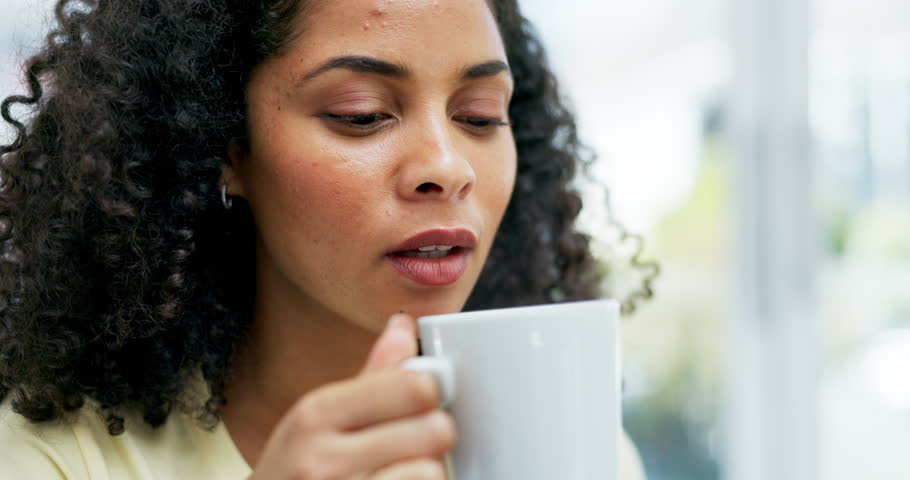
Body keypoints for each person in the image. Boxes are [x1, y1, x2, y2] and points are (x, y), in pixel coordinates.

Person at [0, 0, 647, 478]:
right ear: (227, 145)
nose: (448, 168)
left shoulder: (587, 457)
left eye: (479, 116)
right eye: (361, 114)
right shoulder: (58, 457)